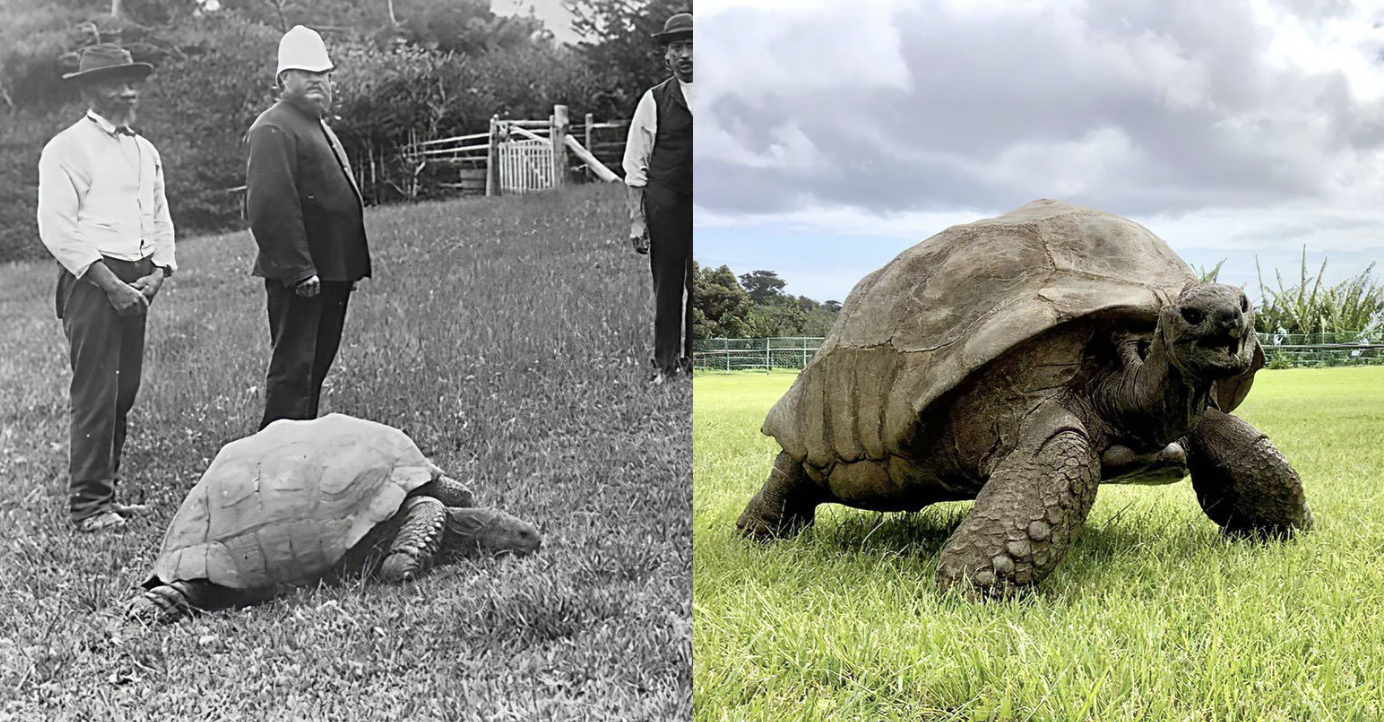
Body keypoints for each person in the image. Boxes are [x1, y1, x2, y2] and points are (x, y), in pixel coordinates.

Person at [37, 44, 176, 532]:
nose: (130, 88)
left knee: (124, 390)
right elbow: (56, 228)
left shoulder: (144, 149)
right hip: (93, 282)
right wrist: (111, 284)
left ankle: (107, 494)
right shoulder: (66, 148)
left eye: (134, 79)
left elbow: (159, 215)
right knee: (95, 391)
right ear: (90, 89)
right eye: (118, 80)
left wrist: (159, 272)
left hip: (138, 279)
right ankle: (89, 506)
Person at [245, 25, 370, 430]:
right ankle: (274, 460)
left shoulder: (317, 125)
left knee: (315, 368)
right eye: (306, 72)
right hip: (304, 275)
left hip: (332, 271)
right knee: (293, 372)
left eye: (325, 73)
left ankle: (300, 452)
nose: (318, 80)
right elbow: (269, 207)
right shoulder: (274, 126)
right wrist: (299, 269)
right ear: (284, 79)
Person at [623, 12, 693, 384]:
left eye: (693, 45)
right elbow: (636, 162)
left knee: (702, 283)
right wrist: (637, 218)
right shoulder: (654, 100)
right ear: (666, 56)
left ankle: (696, 361)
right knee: (668, 282)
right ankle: (665, 364)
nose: (686, 54)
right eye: (677, 47)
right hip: (667, 199)